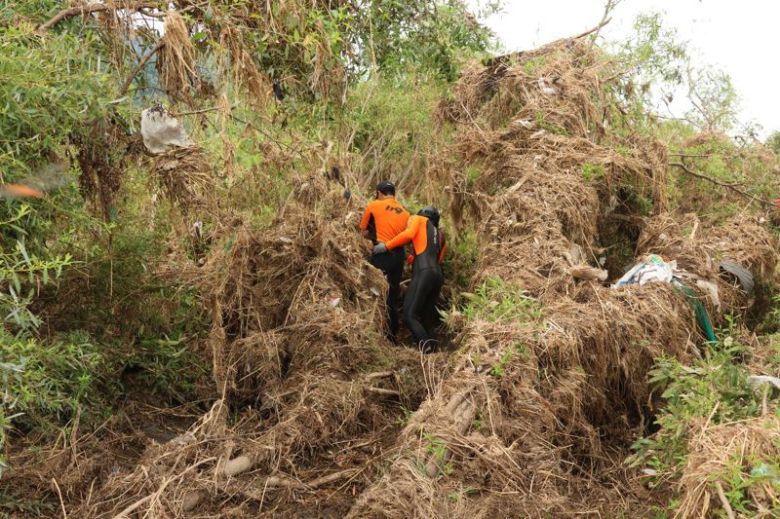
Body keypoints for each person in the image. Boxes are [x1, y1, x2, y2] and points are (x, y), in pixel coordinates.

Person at [374, 206, 446, 352]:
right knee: (427, 318)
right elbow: (436, 258)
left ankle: (426, 349)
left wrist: (387, 245)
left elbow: (409, 234)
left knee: (409, 315)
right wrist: (410, 257)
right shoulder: (440, 236)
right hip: (437, 276)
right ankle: (435, 353)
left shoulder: (418, 219)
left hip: (423, 273)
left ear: (422, 214)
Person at [359, 181, 410, 342]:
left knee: (374, 293)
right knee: (391, 296)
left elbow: (363, 231)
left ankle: (373, 334)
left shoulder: (374, 205)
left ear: (379, 193)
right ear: (393, 194)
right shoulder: (405, 213)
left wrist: (373, 237)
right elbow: (406, 237)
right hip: (399, 256)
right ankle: (392, 335)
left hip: (382, 255)